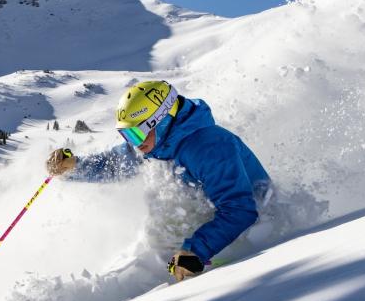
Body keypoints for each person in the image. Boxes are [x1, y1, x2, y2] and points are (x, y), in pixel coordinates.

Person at [46, 79, 270, 281]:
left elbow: (240, 209)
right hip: (206, 237)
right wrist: (73, 167)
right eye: (127, 135)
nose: (135, 143)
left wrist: (196, 252)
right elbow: (112, 165)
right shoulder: (154, 146)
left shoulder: (208, 147)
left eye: (136, 133)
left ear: (161, 121)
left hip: (252, 235)